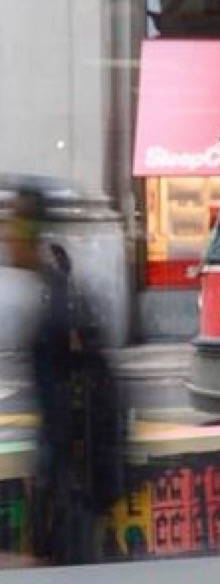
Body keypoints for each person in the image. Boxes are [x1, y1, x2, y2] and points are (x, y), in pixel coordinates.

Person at [4, 186, 127, 565]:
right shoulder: (57, 291)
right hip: (73, 482)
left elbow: (72, 410)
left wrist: (53, 493)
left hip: (74, 487)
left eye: (13, 228)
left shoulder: (60, 306)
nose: (7, 240)